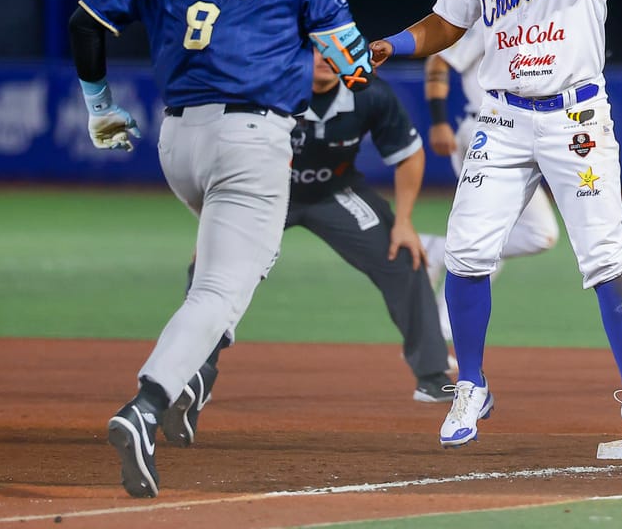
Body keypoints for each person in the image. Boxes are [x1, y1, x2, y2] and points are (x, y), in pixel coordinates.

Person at [68, 0, 372, 498]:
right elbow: (352, 65)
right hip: (250, 140)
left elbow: (86, 24)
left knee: (236, 264)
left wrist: (100, 111)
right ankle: (147, 406)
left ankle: (194, 372)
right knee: (220, 289)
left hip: (179, 145)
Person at [368, 0, 622, 448]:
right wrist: (391, 44)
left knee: (607, 256)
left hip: (574, 118)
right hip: (499, 121)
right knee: (469, 253)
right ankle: (470, 387)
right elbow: (446, 25)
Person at [162, 48, 455, 451]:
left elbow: (409, 155)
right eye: (317, 48)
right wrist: (211, 224)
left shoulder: (369, 93)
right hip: (262, 193)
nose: (325, 58)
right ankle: (194, 372)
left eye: (335, 50)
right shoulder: (267, 84)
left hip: (335, 191)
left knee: (402, 255)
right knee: (212, 268)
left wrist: (403, 222)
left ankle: (432, 376)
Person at [420, 21, 561, 341]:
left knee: (520, 237)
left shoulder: (546, 22)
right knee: (531, 234)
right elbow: (439, 60)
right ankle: (440, 323)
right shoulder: (495, 19)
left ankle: (436, 257)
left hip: (519, 133)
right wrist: (439, 120)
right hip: (486, 132)